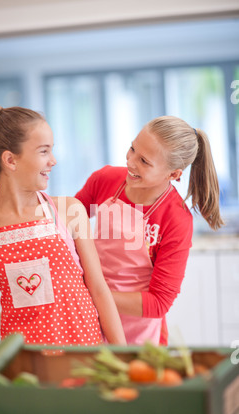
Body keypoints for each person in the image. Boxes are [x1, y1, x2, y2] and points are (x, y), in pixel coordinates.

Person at [0, 102, 126, 351]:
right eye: (44, 151)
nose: (53, 161)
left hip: (87, 355)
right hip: (25, 364)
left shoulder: (69, 211)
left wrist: (125, 356)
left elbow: (99, 290)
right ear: (10, 160)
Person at [75, 115, 224, 346]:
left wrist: (94, 296)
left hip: (138, 333)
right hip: (87, 320)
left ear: (173, 174)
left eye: (144, 161)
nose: (131, 162)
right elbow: (68, 224)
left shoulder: (175, 219)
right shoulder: (104, 180)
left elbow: (158, 303)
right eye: (132, 148)